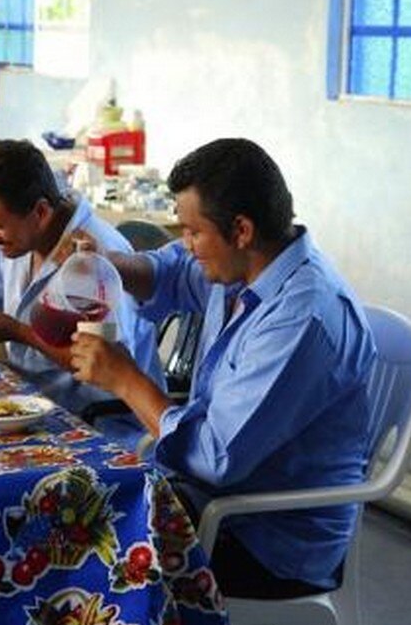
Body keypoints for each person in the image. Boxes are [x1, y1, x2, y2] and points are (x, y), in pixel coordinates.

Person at [67, 138, 377, 599]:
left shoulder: (301, 317)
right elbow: (168, 273)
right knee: (69, 502)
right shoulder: (242, 270)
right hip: (216, 499)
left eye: (193, 232)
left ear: (242, 230)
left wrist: (125, 379)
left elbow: (215, 460)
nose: (186, 245)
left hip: (267, 537)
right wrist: (105, 265)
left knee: (83, 551)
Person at [0, 139, 164, 423]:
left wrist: (16, 331)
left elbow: (102, 361)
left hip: (93, 422)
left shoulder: (93, 258)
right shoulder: (22, 240)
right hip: (30, 402)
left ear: (40, 212)